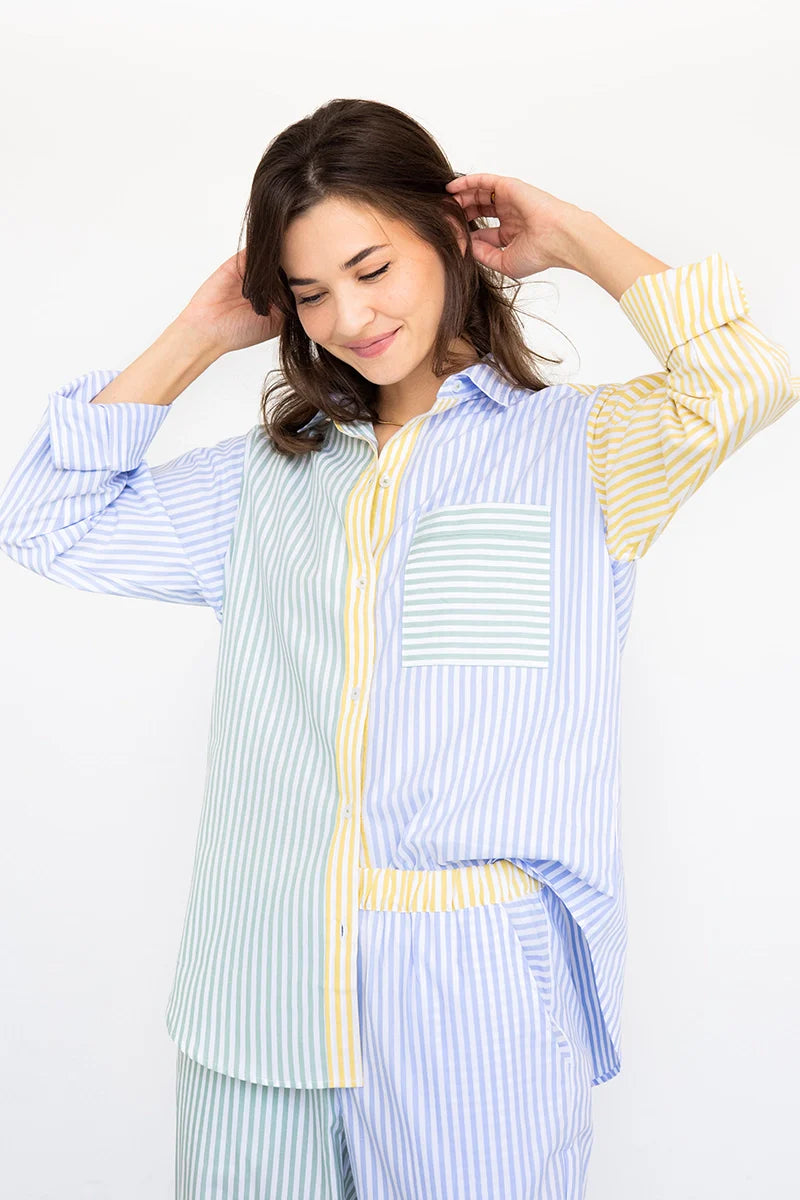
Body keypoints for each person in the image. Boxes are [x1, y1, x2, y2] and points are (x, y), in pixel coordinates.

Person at [0, 97, 797, 1200]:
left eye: (373, 267)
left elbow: (747, 376)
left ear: (443, 236)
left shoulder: (584, 452)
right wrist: (195, 333)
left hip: (470, 971)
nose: (350, 316)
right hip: (257, 980)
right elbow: (46, 520)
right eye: (312, 292)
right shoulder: (260, 480)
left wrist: (566, 236)